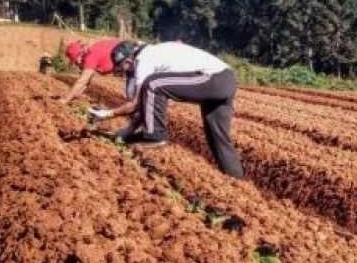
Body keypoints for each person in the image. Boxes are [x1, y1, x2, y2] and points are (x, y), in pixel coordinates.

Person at [91, 39, 245, 178]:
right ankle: (237, 182)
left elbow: (136, 104)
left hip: (213, 78)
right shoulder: (153, 54)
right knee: (217, 138)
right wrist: (126, 132)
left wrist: (108, 114)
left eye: (122, 67)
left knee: (153, 84)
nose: (124, 72)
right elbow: (146, 106)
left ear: (129, 60)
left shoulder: (144, 59)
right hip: (226, 78)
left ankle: (155, 136)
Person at [58, 38, 119, 104]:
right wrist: (76, 94)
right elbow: (87, 80)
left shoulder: (90, 57)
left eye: (75, 62)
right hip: (122, 55)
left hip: (127, 57)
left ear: (79, 57)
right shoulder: (88, 52)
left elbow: (82, 80)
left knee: (130, 93)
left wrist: (65, 99)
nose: (76, 65)